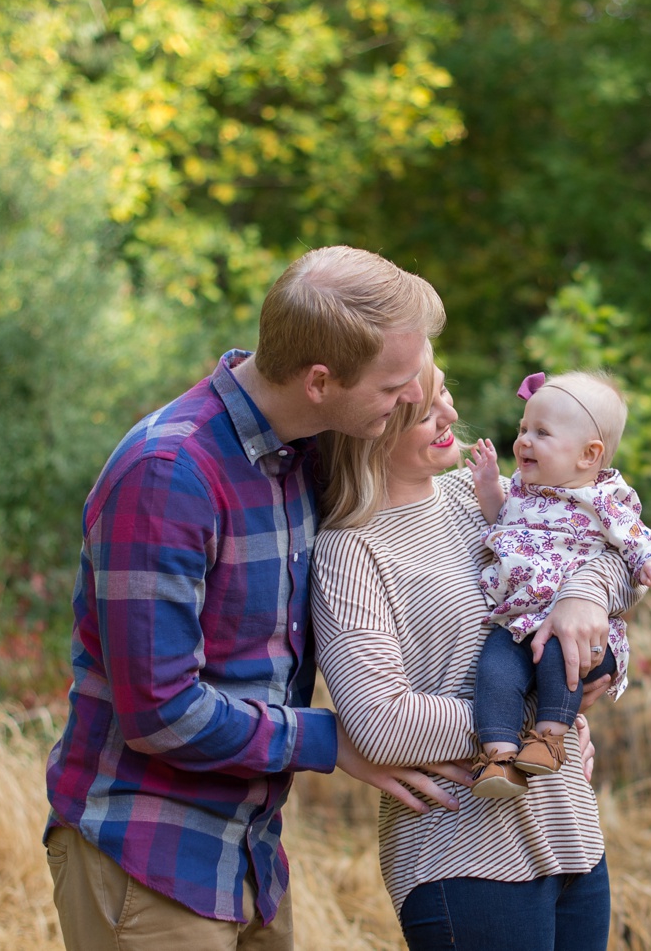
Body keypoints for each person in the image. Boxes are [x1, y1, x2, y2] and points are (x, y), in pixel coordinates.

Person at [42, 246, 469, 951]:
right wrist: (333, 739)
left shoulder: (303, 453)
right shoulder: (168, 476)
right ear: (320, 380)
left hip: (250, 855)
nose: (413, 399)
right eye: (396, 385)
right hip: (146, 852)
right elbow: (161, 712)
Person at [312, 357, 637, 950]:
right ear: (370, 423)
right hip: (463, 854)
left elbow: (615, 549)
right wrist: (546, 717)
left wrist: (586, 597)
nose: (451, 415)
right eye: (424, 409)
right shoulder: (349, 551)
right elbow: (381, 724)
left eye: (445, 395)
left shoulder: (480, 492)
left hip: (573, 836)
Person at [463, 370, 651, 798]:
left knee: (559, 656)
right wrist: (489, 487)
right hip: (518, 622)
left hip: (580, 635)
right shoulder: (523, 492)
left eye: (541, 432)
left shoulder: (601, 499)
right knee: (494, 672)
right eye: (524, 428)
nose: (524, 440)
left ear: (588, 455)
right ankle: (499, 757)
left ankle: (549, 738)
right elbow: (501, 525)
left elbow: (635, 539)